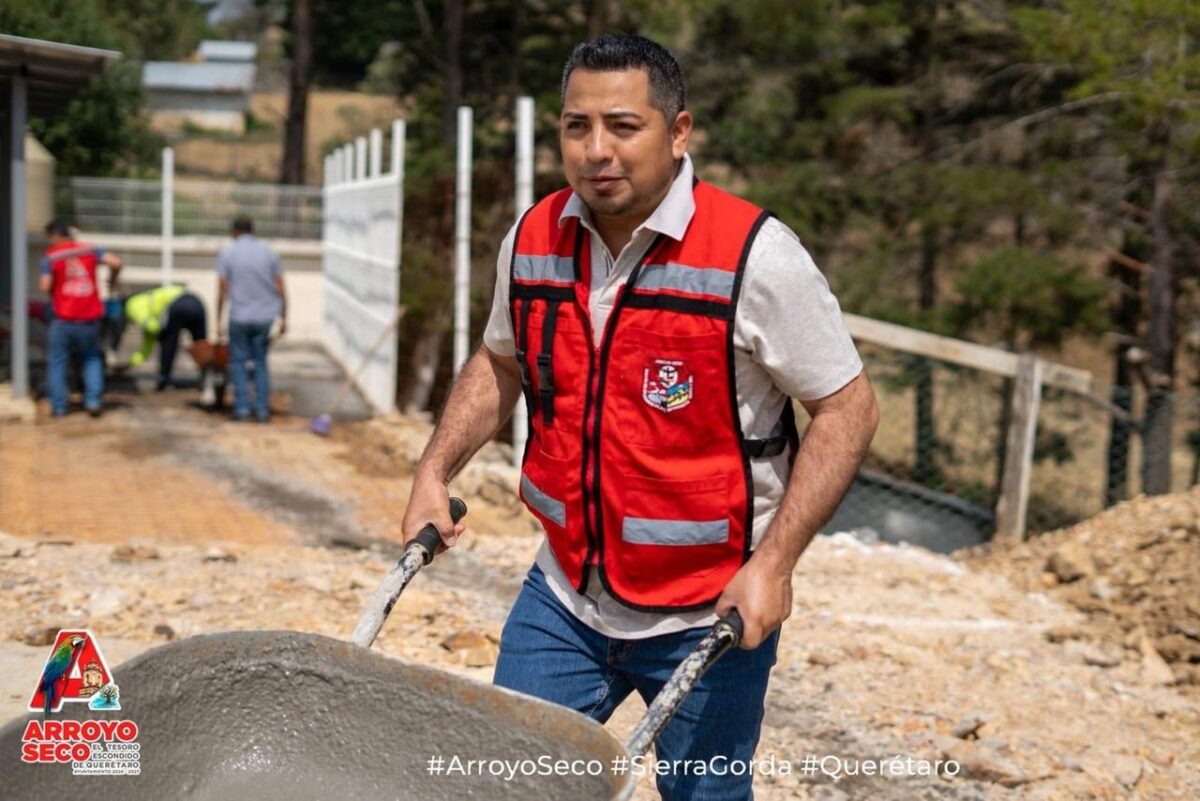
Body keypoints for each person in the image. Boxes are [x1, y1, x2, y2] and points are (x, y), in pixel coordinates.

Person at [400, 34, 880, 800]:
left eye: (623, 126)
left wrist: (775, 565)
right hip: (564, 597)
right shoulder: (531, 241)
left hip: (709, 611)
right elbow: (500, 360)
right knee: (510, 785)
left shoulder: (756, 257)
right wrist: (433, 471)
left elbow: (847, 406)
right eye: (576, 127)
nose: (597, 151)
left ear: (678, 131)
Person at [38, 220, 122, 417]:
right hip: (90, 316)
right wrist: (113, 280)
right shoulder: (90, 249)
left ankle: (59, 407)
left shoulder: (51, 256)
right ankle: (93, 402)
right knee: (92, 358)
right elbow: (116, 262)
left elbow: (44, 286)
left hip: (63, 318)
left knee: (58, 361)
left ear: (53, 236)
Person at [215, 215, 287, 423]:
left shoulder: (228, 252)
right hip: (265, 316)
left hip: (239, 316)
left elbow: (222, 289)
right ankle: (262, 411)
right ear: (252, 230)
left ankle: (242, 409)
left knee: (237, 363)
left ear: (235, 231)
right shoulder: (269, 252)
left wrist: (218, 319)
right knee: (260, 362)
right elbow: (281, 287)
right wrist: (284, 316)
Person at [124, 285, 212, 394]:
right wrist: (132, 362)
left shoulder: (132, 304)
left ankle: (164, 380)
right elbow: (148, 343)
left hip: (179, 304)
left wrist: (160, 332)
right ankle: (207, 381)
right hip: (197, 302)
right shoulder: (151, 299)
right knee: (201, 344)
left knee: (168, 341)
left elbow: (150, 327)